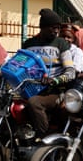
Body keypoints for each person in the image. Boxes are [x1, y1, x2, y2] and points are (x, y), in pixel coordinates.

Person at [23, 9, 76, 138]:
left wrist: (55, 80)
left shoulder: (61, 44)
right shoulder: (28, 44)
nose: (57, 31)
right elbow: (18, 65)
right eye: (53, 28)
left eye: (58, 28)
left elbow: (71, 72)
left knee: (34, 102)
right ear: (43, 27)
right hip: (30, 89)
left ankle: (44, 137)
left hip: (54, 93)